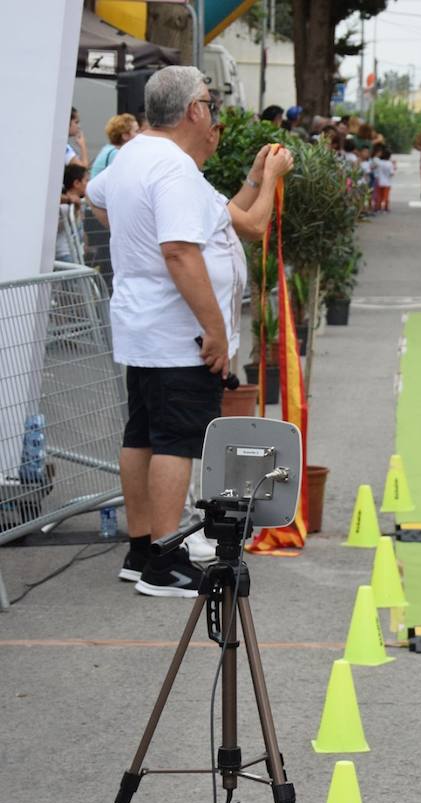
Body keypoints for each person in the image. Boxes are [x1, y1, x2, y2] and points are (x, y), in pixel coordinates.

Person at [86, 66, 292, 597]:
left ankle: (142, 550)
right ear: (194, 111)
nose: (216, 118)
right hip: (177, 331)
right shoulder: (173, 169)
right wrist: (215, 330)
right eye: (212, 106)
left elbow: (98, 196)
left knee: (143, 435)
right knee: (175, 440)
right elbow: (179, 251)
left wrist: (135, 241)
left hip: (145, 322)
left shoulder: (137, 153)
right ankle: (164, 559)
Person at [56, 163, 89, 264]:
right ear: (76, 183)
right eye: (86, 180)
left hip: (76, 253)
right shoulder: (64, 206)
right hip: (66, 255)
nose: (89, 183)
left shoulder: (79, 202)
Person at [90, 114, 139, 178]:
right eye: (136, 131)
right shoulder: (115, 153)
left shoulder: (109, 149)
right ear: (125, 136)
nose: (140, 135)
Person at [372, 146, 394, 212]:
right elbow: (391, 173)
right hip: (387, 183)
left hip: (379, 182)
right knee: (386, 196)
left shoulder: (379, 162)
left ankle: (378, 207)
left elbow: (374, 168)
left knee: (379, 195)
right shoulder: (390, 164)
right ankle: (386, 207)